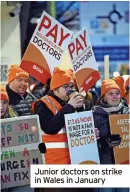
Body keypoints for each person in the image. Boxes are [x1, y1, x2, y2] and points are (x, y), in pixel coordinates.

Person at [92, 79, 129, 192]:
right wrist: (102, 142)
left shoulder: (127, 112)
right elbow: (87, 143)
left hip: (124, 165)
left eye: (117, 93)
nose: (115, 96)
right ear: (104, 97)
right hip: (105, 165)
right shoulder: (94, 113)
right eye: (110, 93)